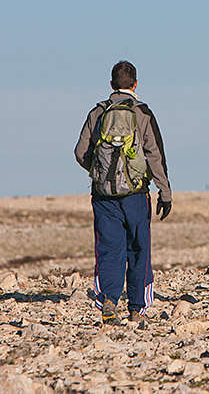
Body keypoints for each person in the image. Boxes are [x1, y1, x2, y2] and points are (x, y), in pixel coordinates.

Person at [74, 60, 172, 325]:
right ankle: (137, 307)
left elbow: (80, 152)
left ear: (111, 85)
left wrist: (99, 172)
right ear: (135, 84)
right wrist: (165, 191)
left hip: (104, 196)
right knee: (139, 248)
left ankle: (109, 299)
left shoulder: (97, 113)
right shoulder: (143, 113)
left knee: (109, 248)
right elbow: (155, 155)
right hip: (136, 194)